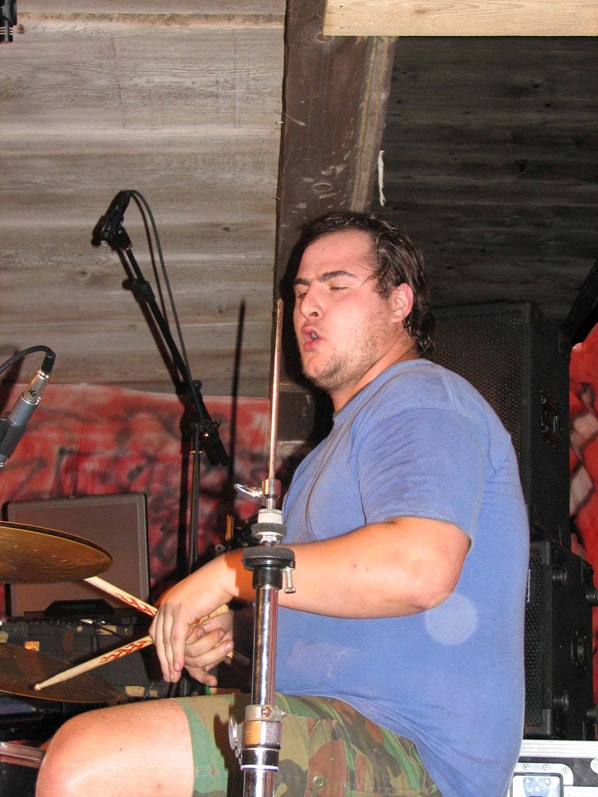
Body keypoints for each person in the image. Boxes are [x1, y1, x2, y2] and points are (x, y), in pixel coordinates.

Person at [36, 211, 529, 797]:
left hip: (412, 753)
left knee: (83, 761)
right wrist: (228, 631)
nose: (308, 306)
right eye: (301, 292)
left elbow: (417, 568)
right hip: (328, 727)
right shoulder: (319, 461)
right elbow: (323, 603)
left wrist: (230, 575)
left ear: (400, 302)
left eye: (336, 286)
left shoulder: (421, 397)